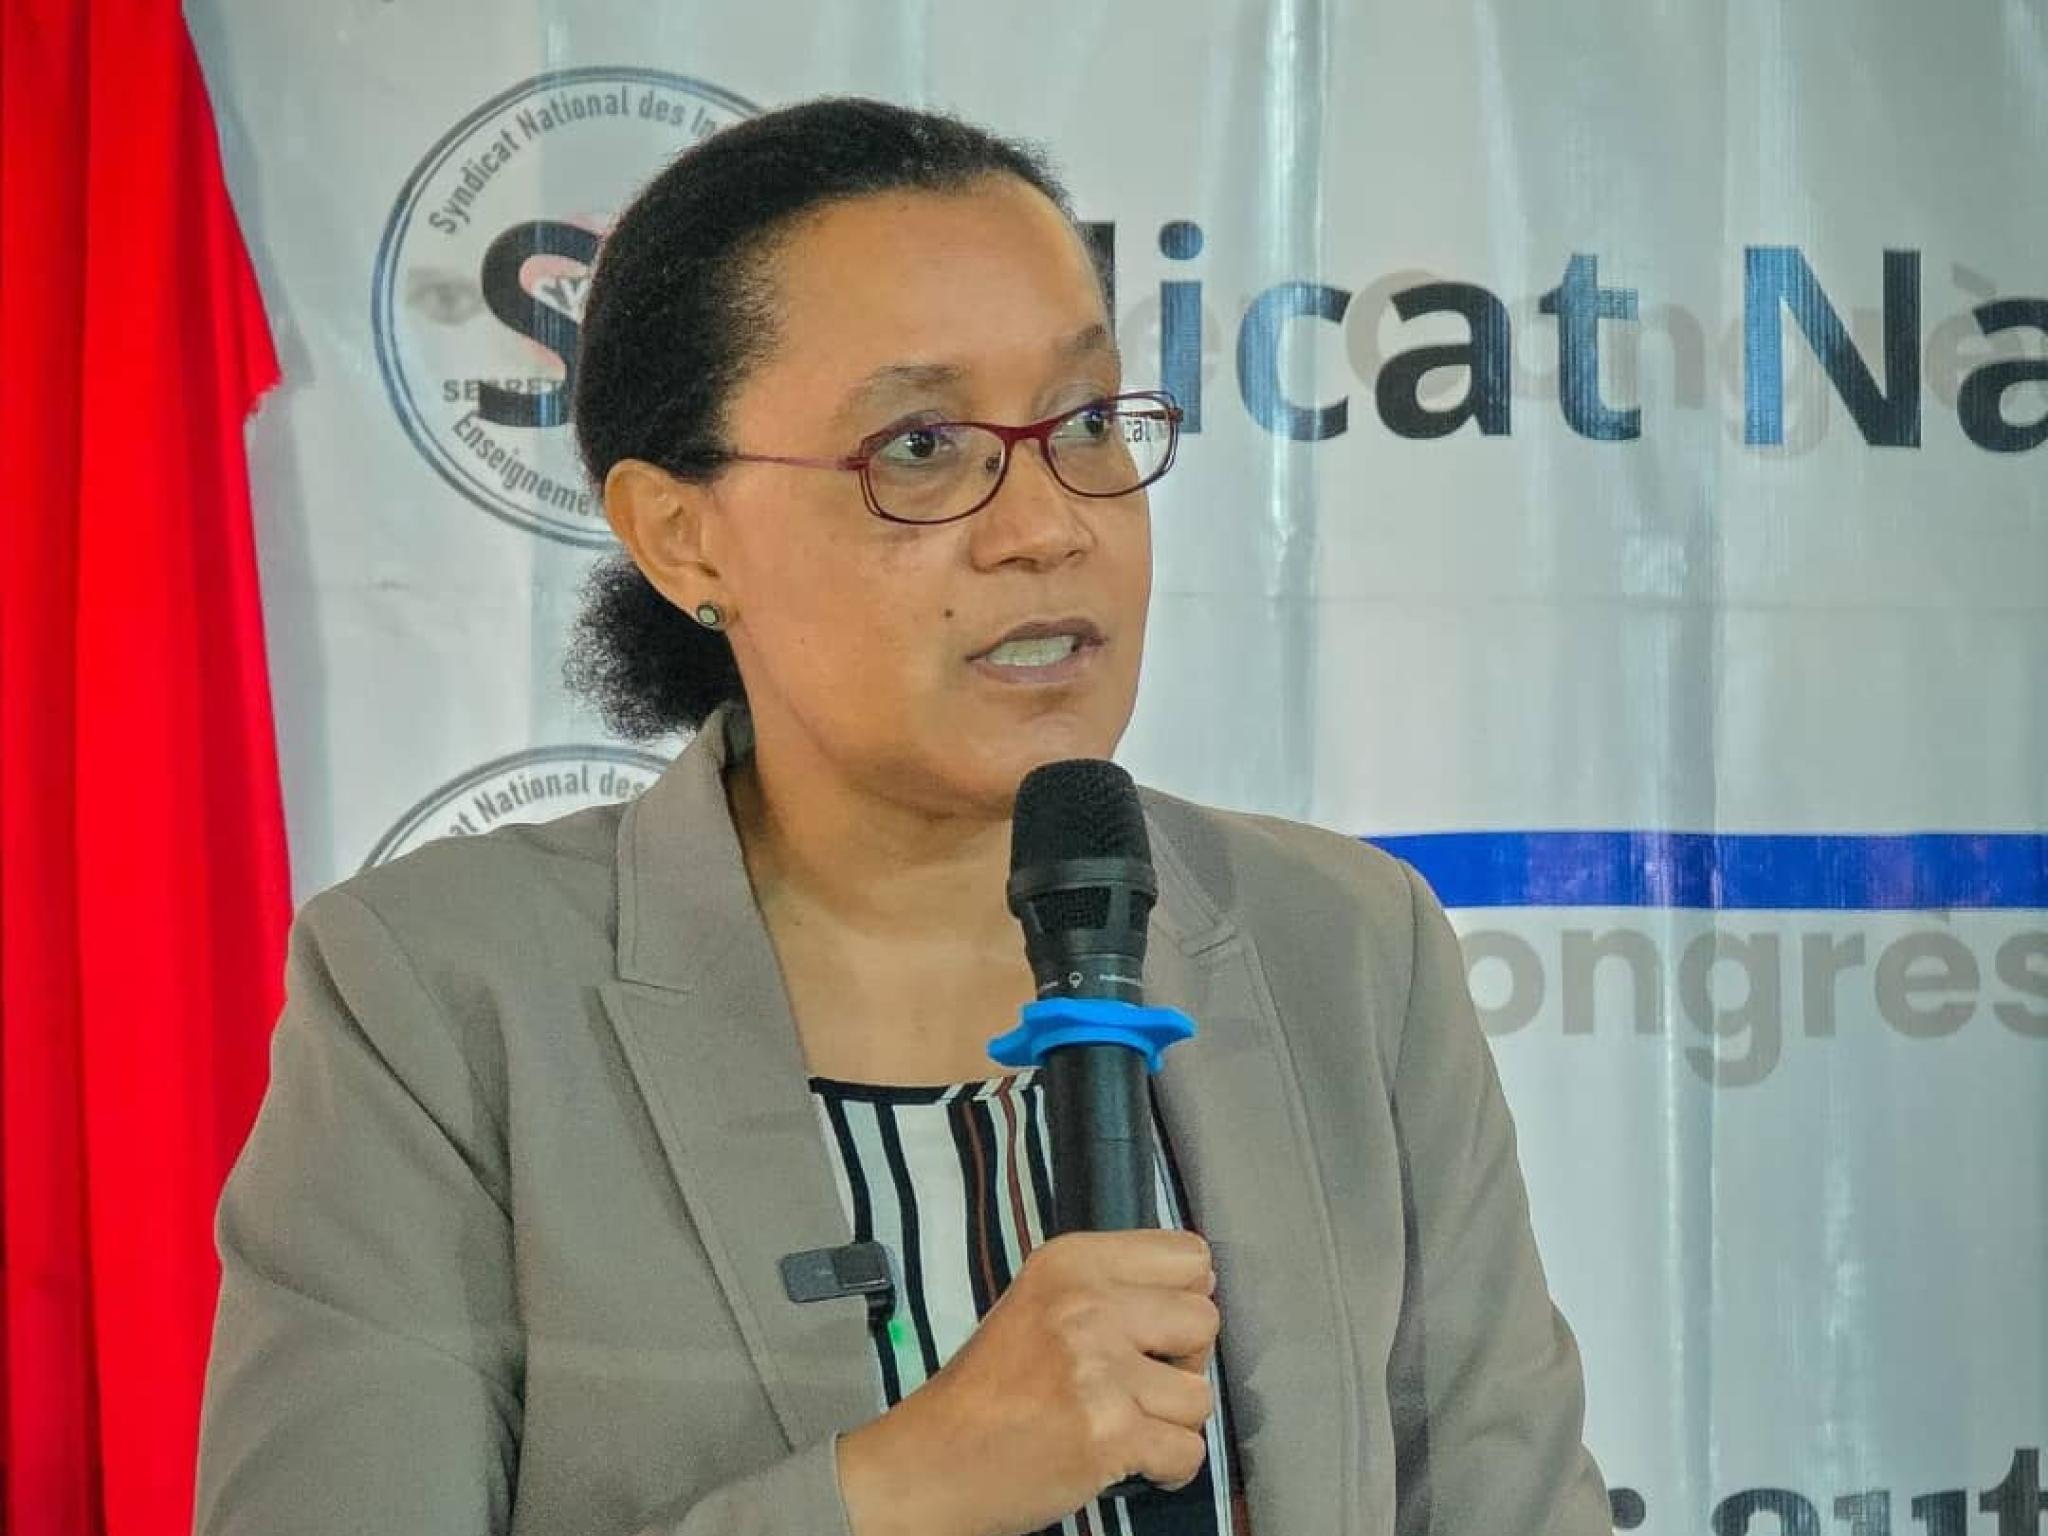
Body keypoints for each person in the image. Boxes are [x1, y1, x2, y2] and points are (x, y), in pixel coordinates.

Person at [193, 97, 1611, 1536]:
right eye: (921, 446)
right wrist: (903, 1488)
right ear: (682, 535)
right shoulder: (442, 997)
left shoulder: (1347, 949)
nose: (1048, 525)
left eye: (1086, 421)